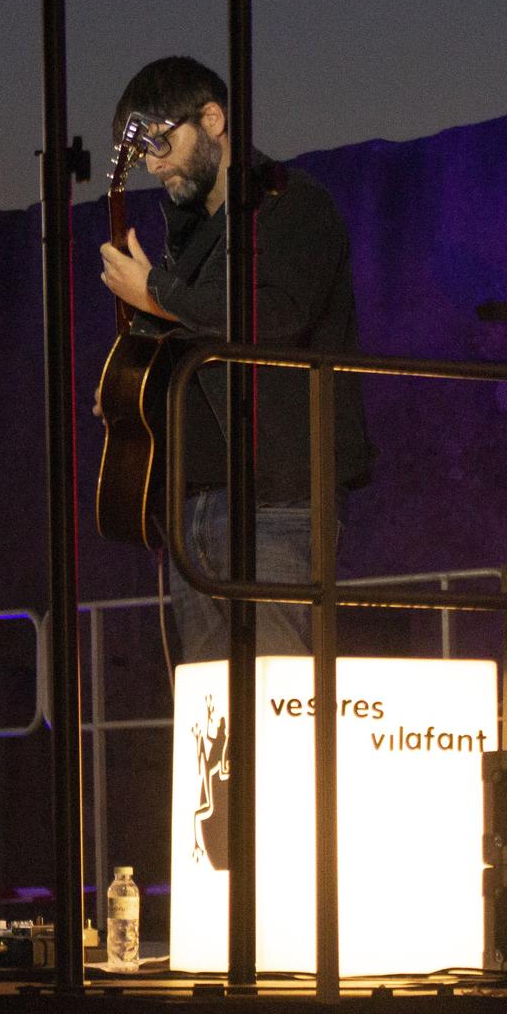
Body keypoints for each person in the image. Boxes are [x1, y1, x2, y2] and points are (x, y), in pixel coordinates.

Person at [96, 56, 374, 660]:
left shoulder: (295, 206)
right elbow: (194, 341)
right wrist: (131, 388)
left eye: (162, 142)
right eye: (142, 152)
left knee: (278, 692)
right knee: (211, 711)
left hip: (275, 501)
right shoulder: (195, 240)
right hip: (194, 507)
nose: (153, 164)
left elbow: (273, 318)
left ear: (214, 119)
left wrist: (157, 293)